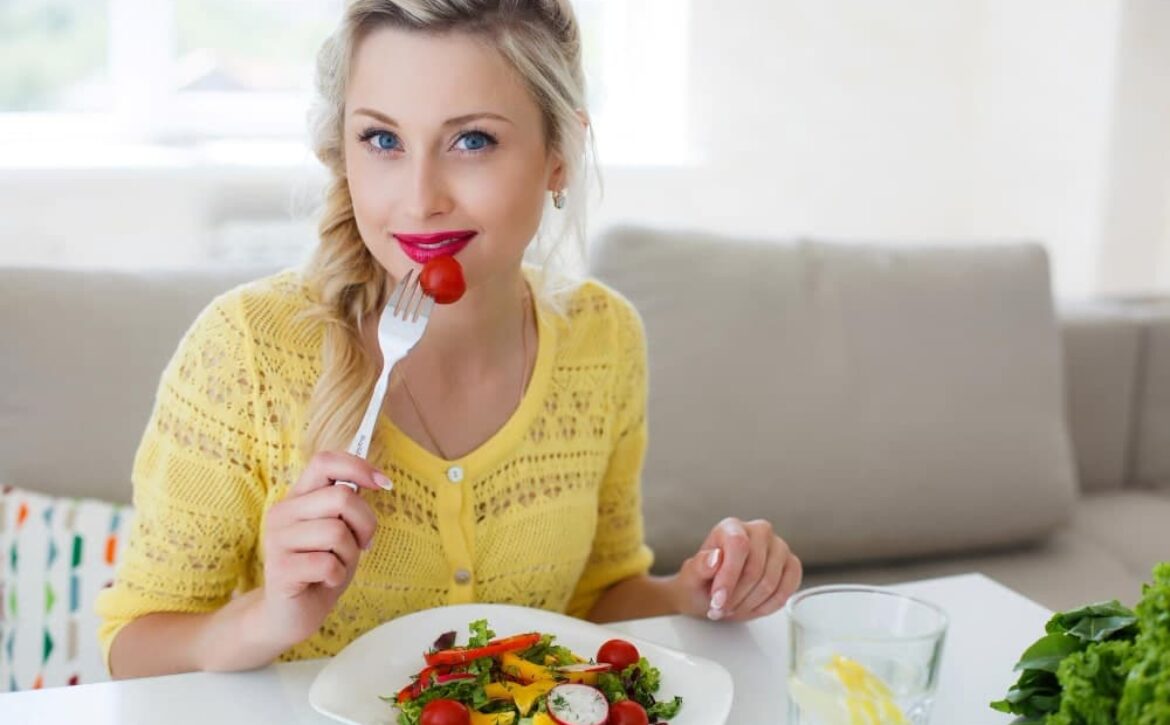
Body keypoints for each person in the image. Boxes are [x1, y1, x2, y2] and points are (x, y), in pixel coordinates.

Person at [97, 0, 802, 679]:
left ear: (560, 154)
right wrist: (267, 617)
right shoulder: (247, 348)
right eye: (382, 139)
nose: (420, 197)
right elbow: (130, 647)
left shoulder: (603, 338)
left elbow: (594, 599)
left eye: (471, 140)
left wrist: (699, 588)